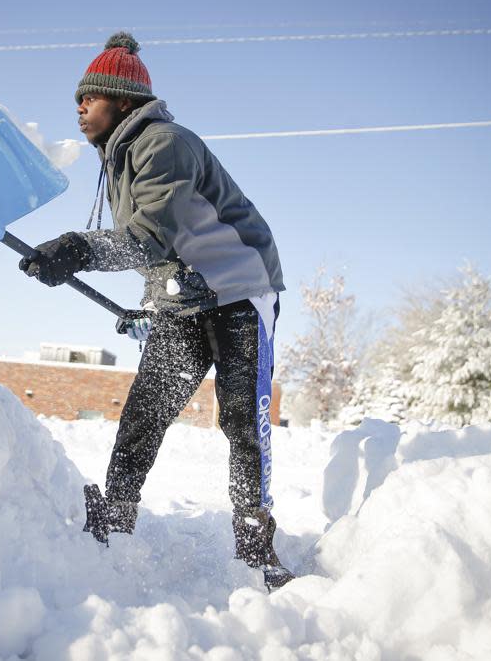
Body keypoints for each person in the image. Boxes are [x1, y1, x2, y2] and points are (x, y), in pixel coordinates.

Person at [19, 32, 293, 590]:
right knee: (144, 412)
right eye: (77, 100)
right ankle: (116, 519)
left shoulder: (162, 141)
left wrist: (77, 248)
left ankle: (256, 547)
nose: (78, 109)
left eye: (88, 99)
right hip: (184, 299)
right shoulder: (118, 158)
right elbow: (158, 250)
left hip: (240, 290)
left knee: (241, 418)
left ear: (121, 100)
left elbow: (149, 235)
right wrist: (147, 302)